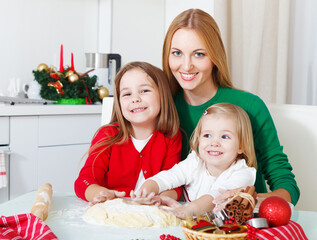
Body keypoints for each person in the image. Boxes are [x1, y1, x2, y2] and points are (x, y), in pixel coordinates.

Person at [161, 8, 299, 208]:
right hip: (182, 221)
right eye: (177, 53)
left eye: (199, 54)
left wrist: (250, 198)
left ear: (214, 57)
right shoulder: (163, 107)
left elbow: (287, 186)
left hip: (239, 226)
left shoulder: (250, 106)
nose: (186, 65)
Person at [74, 61, 182, 204]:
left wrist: (160, 199)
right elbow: (84, 181)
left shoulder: (171, 137)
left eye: (144, 91)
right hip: (113, 213)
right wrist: (100, 194)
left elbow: (175, 184)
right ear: (119, 102)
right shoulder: (108, 135)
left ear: (163, 95)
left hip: (150, 216)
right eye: (127, 94)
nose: (135, 98)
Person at [131, 103, 257, 218]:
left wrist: (187, 210)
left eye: (225, 136)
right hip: (184, 220)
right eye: (207, 135)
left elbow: (215, 197)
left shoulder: (244, 173)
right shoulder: (196, 161)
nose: (214, 143)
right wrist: (146, 191)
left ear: (241, 146)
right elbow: (169, 176)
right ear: (198, 139)